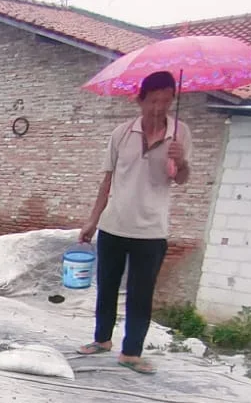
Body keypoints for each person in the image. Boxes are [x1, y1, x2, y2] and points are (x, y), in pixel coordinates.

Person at [77, 70, 191, 375]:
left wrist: (181, 161)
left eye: (166, 101)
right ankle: (102, 339)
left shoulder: (180, 135)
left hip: (152, 230)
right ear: (139, 100)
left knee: (141, 293)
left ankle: (132, 352)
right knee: (107, 288)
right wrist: (92, 220)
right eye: (153, 101)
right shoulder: (122, 134)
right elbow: (107, 181)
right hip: (114, 225)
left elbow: (180, 179)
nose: (159, 108)